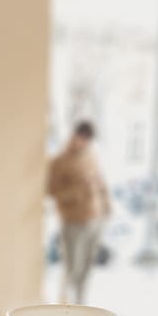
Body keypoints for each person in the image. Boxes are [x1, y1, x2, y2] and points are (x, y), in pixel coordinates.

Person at [47, 121, 111, 304]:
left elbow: (100, 182)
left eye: (87, 140)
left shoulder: (91, 157)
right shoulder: (59, 162)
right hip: (73, 221)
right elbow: (52, 191)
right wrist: (78, 190)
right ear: (73, 136)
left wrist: (106, 208)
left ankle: (81, 305)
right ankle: (63, 307)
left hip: (95, 220)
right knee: (72, 267)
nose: (83, 143)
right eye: (80, 138)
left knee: (86, 267)